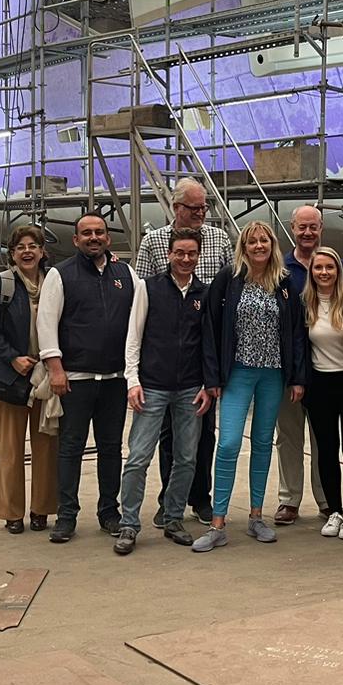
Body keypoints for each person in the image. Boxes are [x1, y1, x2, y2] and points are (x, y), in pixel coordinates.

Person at [196, 220, 308, 552]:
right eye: (252, 241)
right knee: (229, 443)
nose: (259, 246)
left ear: (272, 245)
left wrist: (297, 377)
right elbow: (210, 327)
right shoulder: (229, 280)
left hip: (272, 374)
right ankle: (218, 523)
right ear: (243, 247)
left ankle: (257, 516)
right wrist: (212, 377)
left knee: (262, 443)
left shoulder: (284, 283)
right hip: (238, 374)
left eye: (264, 241)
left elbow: (296, 332)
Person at [132, 178, 227, 527]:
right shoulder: (154, 242)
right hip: (164, 357)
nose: (201, 213)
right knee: (168, 436)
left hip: (204, 352)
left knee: (204, 434)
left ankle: (201, 498)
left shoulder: (219, 239)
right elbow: (140, 294)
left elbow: (231, 285)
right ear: (176, 208)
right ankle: (168, 500)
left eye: (204, 207)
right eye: (194, 208)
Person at [36, 211, 136, 543]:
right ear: (76, 240)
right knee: (70, 448)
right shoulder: (60, 275)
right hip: (75, 379)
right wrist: (55, 368)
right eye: (87, 233)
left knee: (111, 448)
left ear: (108, 237)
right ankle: (67, 516)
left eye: (99, 232)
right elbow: (46, 323)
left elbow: (139, 320)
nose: (94, 237)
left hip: (115, 379)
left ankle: (109, 512)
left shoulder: (126, 274)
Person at [115, 229, 213, 554]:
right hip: (152, 387)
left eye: (191, 254)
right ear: (169, 254)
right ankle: (129, 524)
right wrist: (133, 380)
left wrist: (206, 385)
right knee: (138, 457)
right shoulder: (149, 287)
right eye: (179, 253)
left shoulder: (204, 293)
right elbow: (134, 336)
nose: (185, 259)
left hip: (190, 389)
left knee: (186, 458)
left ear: (198, 256)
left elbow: (208, 344)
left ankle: (173, 519)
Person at [274, 203, 343, 526]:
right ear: (292, 229)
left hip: (333, 374)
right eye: (302, 227)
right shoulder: (281, 270)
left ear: (321, 228)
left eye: (313, 227)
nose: (307, 232)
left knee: (324, 441)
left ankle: (327, 502)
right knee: (289, 435)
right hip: (293, 370)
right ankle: (289, 500)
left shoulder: (342, 267)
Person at [0, 225, 58, 534]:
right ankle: (12, 513)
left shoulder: (54, 283)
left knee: (46, 445)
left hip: (45, 375)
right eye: (20, 247)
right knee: (11, 448)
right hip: (13, 377)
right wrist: (13, 357)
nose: (27, 251)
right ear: (12, 254)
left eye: (32, 246)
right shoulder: (3, 285)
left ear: (42, 251)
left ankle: (41, 509)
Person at [301, 246, 343, 540]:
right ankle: (334, 511)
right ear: (311, 272)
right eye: (318, 268)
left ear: (339, 271)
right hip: (319, 384)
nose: (324, 273)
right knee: (326, 450)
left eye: (329, 267)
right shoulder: (304, 303)